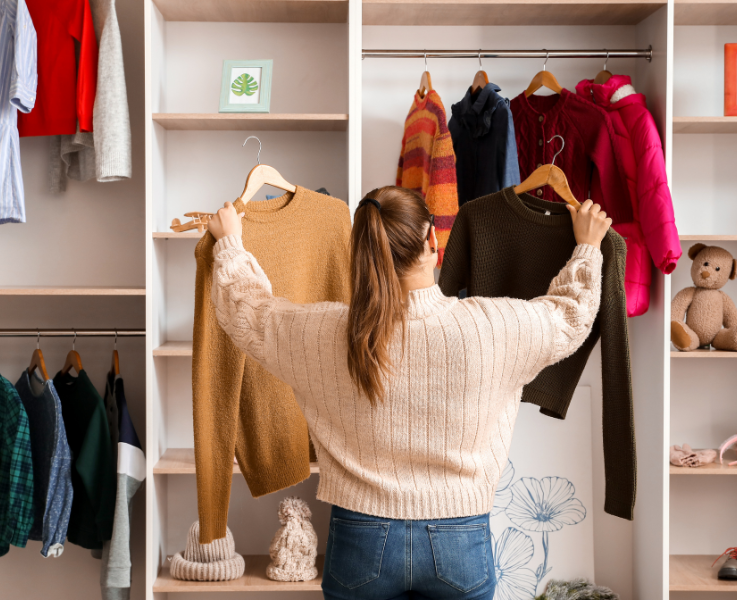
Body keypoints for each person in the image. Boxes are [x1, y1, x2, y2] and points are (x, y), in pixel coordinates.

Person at [207, 186, 611, 600]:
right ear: (432, 241)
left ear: (360, 252)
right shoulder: (493, 328)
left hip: (360, 539)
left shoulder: (323, 333)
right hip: (461, 537)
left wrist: (231, 245)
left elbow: (248, 313)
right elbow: (570, 314)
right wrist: (587, 247)